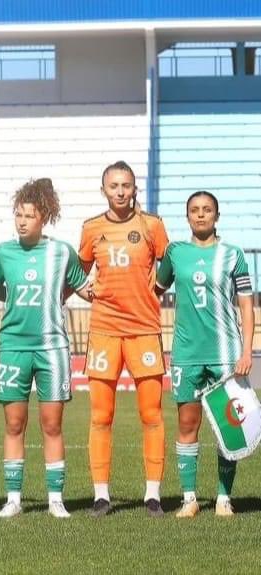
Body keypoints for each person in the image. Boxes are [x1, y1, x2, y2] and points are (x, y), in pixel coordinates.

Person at [0, 178, 91, 519]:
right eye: (18, 214)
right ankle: (13, 498)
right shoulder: (3, 253)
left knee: (51, 424)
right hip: (13, 346)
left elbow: (87, 290)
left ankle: (55, 498)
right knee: (14, 424)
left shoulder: (61, 252)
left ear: (45, 216)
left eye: (29, 214)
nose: (22, 220)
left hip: (52, 348)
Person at [79, 161, 171, 517]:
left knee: (152, 413)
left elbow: (170, 261)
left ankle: (153, 495)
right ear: (103, 189)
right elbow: (78, 267)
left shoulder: (152, 226)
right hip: (104, 331)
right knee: (101, 415)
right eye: (114, 185)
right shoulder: (91, 229)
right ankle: (101, 495)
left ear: (135, 189)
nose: (120, 191)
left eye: (127, 185)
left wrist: (158, 286)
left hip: (144, 330)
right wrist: (84, 290)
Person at [155, 191, 254, 517]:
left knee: (229, 427)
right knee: (187, 423)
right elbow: (154, 289)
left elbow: (245, 304)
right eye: (195, 210)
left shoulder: (233, 254)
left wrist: (246, 349)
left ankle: (224, 498)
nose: (201, 215)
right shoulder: (175, 253)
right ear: (187, 217)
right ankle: (190, 499)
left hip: (226, 354)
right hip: (186, 354)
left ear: (216, 215)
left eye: (207, 210)